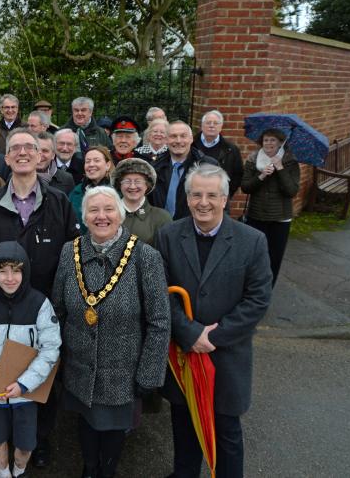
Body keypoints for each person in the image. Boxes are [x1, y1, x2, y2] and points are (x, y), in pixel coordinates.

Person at [0, 128, 79, 468]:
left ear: (40, 153)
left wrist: (55, 305)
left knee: (44, 379)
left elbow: (71, 259)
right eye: (14, 148)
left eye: (28, 147)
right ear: (7, 155)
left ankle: (38, 441)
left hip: (44, 310)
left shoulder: (58, 202)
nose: (21, 153)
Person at [155, 163, 273, 478]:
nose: (203, 202)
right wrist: (190, 332)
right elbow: (160, 293)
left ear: (224, 199)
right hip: (184, 350)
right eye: (196, 194)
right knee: (184, 423)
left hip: (228, 353)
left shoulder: (253, 240)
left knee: (226, 429)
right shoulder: (168, 235)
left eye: (211, 195)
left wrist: (214, 337)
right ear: (187, 197)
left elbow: (258, 298)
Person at [53, 186, 170, 478]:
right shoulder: (70, 251)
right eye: (93, 210)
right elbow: (57, 309)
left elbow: (159, 321)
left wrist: (149, 373)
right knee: (85, 421)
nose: (101, 216)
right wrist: (56, 361)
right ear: (84, 217)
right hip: (79, 364)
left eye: (108, 210)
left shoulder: (146, 257)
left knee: (114, 427)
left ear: (120, 215)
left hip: (123, 368)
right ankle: (89, 468)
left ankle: (106, 471)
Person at [0, 241, 61, 478]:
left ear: (25, 272)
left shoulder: (40, 303)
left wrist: (25, 383)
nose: (9, 278)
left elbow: (51, 348)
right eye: (2, 271)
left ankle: (19, 470)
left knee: (25, 443)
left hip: (26, 391)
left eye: (16, 271)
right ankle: (3, 472)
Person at [240, 128, 300, 287]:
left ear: (281, 143)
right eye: (266, 140)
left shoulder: (290, 162)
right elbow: (245, 187)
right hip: (256, 215)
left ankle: (267, 289)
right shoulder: (253, 160)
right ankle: (250, 286)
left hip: (280, 218)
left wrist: (280, 168)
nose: (268, 143)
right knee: (253, 255)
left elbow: (291, 191)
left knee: (274, 257)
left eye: (273, 140)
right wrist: (261, 176)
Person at [149, 121, 216, 220]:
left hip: (194, 226)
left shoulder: (208, 166)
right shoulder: (154, 167)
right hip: (160, 227)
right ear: (166, 140)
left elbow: (219, 200)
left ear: (191, 139)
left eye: (183, 136)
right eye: (173, 136)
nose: (178, 140)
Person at [112, 158, 171, 247]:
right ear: (119, 184)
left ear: (147, 185)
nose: (132, 186)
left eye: (138, 181)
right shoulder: (106, 215)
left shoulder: (162, 218)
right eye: (127, 181)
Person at [192, 110, 243, 198]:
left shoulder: (231, 149)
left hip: (218, 197)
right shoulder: (191, 145)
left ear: (221, 126)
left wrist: (226, 193)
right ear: (202, 125)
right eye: (208, 123)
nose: (211, 126)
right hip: (192, 195)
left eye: (216, 123)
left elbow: (238, 175)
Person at [69, 146, 115, 234]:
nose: (91, 164)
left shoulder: (118, 193)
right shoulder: (76, 192)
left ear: (108, 165)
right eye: (87, 161)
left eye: (96, 160)